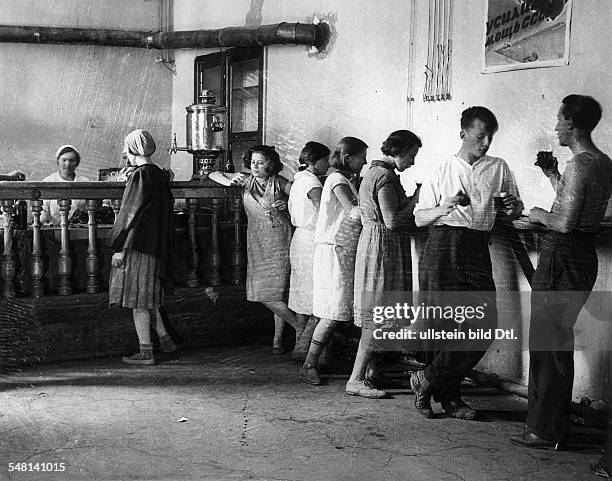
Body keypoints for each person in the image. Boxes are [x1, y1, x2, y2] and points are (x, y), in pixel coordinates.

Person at [511, 95, 612, 448]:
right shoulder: (602, 162)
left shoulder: (580, 165)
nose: (555, 126)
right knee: (557, 342)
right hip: (581, 258)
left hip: (562, 258)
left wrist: (537, 213)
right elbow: (579, 209)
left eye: (558, 120)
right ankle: (552, 425)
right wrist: (553, 175)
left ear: (571, 123)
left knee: (547, 344)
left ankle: (543, 429)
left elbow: (564, 222)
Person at [411, 106, 522, 419]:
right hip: (443, 246)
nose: (486, 142)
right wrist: (445, 206)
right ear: (463, 133)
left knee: (484, 325)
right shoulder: (442, 168)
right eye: (480, 135)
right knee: (443, 327)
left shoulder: (499, 167)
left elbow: (511, 209)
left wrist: (514, 207)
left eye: (490, 136)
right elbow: (420, 218)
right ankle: (449, 400)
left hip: (475, 248)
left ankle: (427, 379)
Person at [346, 130, 422, 398]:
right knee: (376, 314)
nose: (412, 161)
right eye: (411, 155)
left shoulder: (375, 173)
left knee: (382, 313)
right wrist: (415, 199)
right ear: (398, 151)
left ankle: (371, 374)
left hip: (378, 244)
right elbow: (391, 220)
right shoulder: (385, 176)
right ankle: (355, 380)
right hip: (381, 246)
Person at [209, 145, 305, 353]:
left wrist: (287, 204)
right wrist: (229, 180)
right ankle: (299, 329)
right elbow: (213, 173)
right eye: (252, 162)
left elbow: (302, 198)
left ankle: (281, 340)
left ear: (270, 164)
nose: (255, 166)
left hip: (280, 240)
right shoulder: (245, 180)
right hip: (257, 241)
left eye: (260, 162)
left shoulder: (279, 182)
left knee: (276, 292)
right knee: (264, 292)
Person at [299, 136, 367, 386]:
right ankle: (309, 365)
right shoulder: (338, 180)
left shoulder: (345, 179)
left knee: (336, 311)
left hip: (343, 251)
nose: (365, 162)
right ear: (348, 158)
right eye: (362, 157)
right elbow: (354, 211)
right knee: (332, 313)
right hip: (333, 252)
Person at [108, 130, 177, 366]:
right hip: (156, 248)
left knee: (138, 303)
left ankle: (146, 352)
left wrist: (119, 249)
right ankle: (166, 340)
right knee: (148, 298)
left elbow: (130, 216)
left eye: (126, 148)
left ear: (132, 150)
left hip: (138, 248)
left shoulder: (139, 176)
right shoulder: (158, 174)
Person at [288, 141, 330, 361]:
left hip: (299, 238)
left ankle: (300, 346)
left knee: (302, 296)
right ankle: (307, 349)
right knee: (316, 296)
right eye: (326, 160)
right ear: (315, 161)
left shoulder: (298, 180)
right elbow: (325, 211)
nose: (328, 164)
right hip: (311, 241)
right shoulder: (312, 183)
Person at [41, 145, 90, 224]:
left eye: (71, 160)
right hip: (55, 229)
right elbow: (44, 210)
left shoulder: (84, 182)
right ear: (58, 161)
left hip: (80, 229)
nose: (67, 164)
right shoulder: (48, 181)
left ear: (77, 163)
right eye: (64, 160)